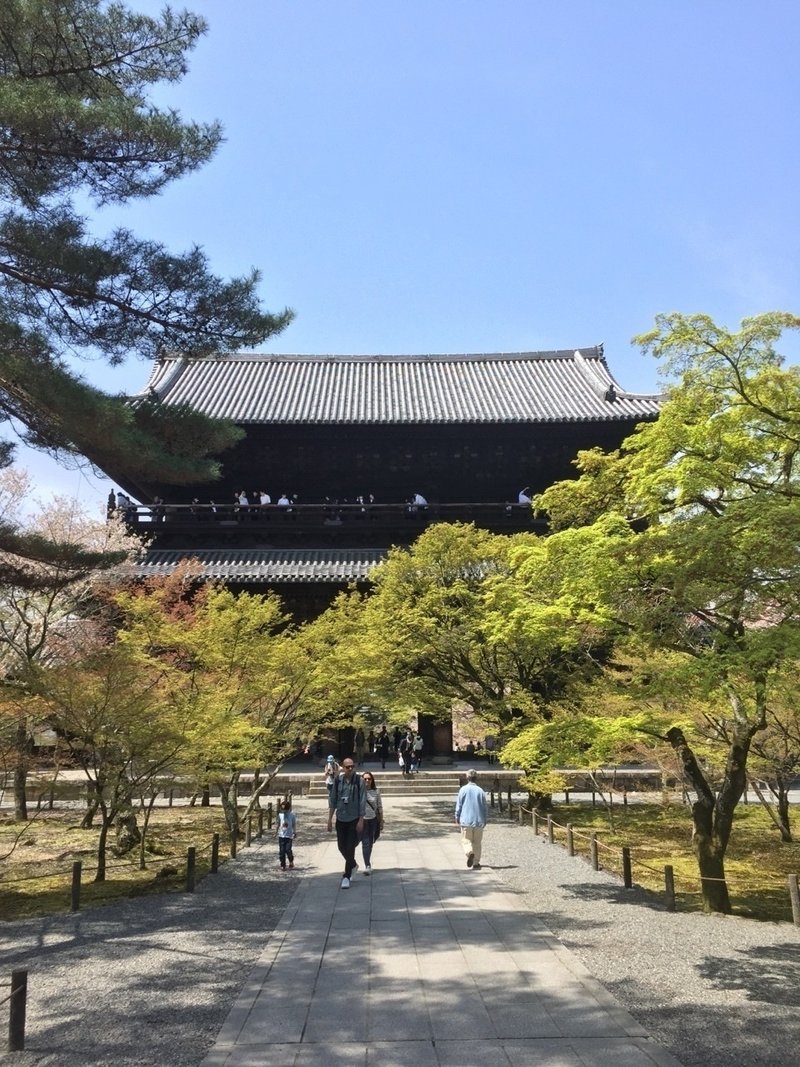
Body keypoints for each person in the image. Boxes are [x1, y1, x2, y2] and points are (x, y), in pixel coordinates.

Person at [327, 756, 366, 888]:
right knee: (341, 847)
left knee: (350, 846)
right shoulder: (338, 780)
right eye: (347, 767)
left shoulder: (359, 781)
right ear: (343, 768)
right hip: (341, 818)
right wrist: (329, 819)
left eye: (352, 766)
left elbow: (362, 801)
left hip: (353, 819)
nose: (350, 769)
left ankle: (346, 876)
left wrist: (361, 820)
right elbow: (333, 799)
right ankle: (353, 864)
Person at [455, 768, 488, 869]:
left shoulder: (463, 790)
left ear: (467, 777)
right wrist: (485, 819)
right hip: (478, 820)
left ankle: (469, 852)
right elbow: (484, 807)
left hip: (466, 819)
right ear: (476, 778)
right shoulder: (480, 791)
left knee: (466, 840)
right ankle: (476, 862)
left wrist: (457, 816)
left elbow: (459, 805)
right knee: (477, 842)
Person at [359, 771, 384, 875]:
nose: (367, 781)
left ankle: (367, 860)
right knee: (365, 843)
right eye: (365, 779)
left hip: (373, 820)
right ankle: (367, 865)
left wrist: (381, 821)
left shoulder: (376, 791)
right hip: (363, 820)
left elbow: (379, 807)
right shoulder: (358, 792)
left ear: (372, 780)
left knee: (371, 842)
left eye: (369, 779)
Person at [275, 797, 297, 870]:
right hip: (281, 835)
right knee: (281, 851)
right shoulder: (280, 815)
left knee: (288, 850)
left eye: (285, 809)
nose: (283, 811)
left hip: (289, 836)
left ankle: (291, 861)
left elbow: (294, 824)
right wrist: (275, 832)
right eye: (282, 809)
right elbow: (278, 824)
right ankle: (283, 865)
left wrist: (294, 832)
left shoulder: (292, 815)